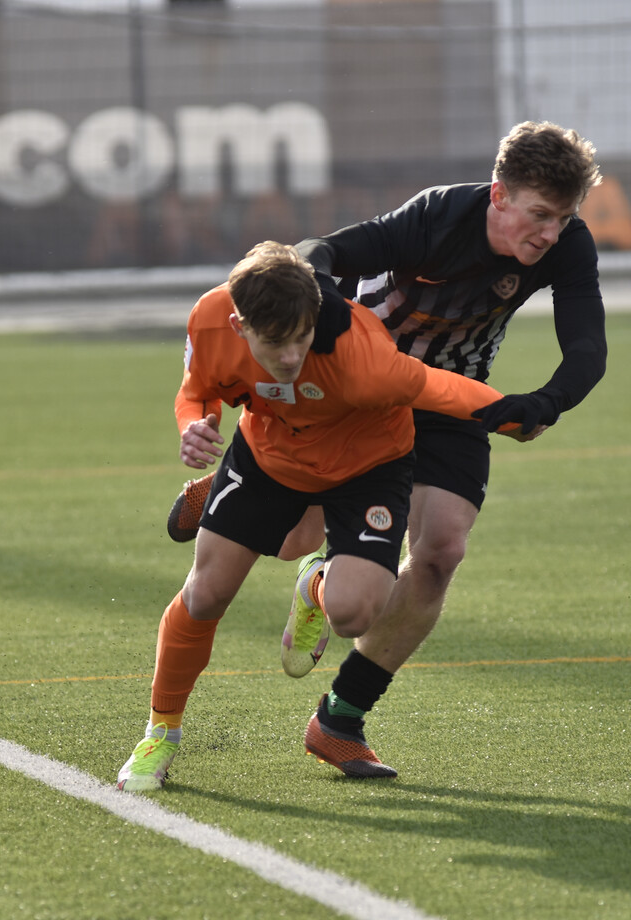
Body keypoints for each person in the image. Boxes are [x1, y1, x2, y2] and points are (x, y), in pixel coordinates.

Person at [164, 121, 607, 778]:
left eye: (562, 217)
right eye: (539, 215)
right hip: (356, 395)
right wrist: (335, 318)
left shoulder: (567, 246)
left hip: (447, 398)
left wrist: (546, 403)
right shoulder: (435, 219)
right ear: (498, 196)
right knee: (287, 539)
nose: (548, 233)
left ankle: (340, 716)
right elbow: (316, 252)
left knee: (441, 554)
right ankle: (250, 495)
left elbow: (588, 348)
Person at [115, 240, 520, 791]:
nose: (291, 356)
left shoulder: (361, 354)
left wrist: (521, 412)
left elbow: (439, 388)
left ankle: (319, 583)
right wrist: (195, 424)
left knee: (354, 615)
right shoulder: (209, 321)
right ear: (239, 325)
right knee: (207, 592)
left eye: (303, 337)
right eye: (276, 342)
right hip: (270, 457)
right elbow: (198, 391)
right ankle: (161, 732)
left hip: (369, 467)